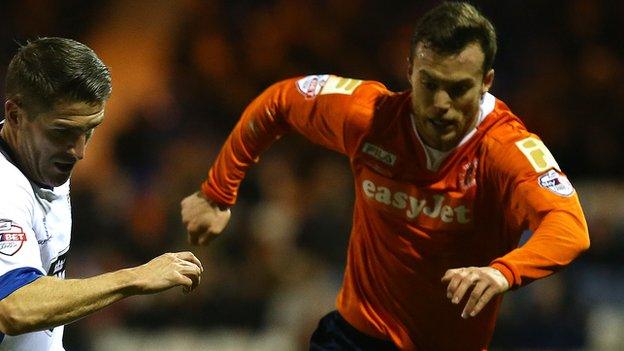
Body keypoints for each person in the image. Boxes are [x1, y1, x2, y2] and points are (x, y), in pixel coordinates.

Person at [181, 2, 589, 350]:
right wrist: (218, 190)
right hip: (356, 336)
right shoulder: (368, 117)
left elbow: (569, 226)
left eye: (459, 88)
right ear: (410, 69)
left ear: (486, 83)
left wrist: (502, 272)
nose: (441, 104)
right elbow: (280, 103)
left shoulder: (505, 151)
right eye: (429, 83)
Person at [0, 37, 203, 351]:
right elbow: (14, 307)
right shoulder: (5, 187)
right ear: (15, 115)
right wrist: (132, 278)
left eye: (90, 129)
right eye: (63, 131)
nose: (79, 151)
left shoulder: (39, 158)